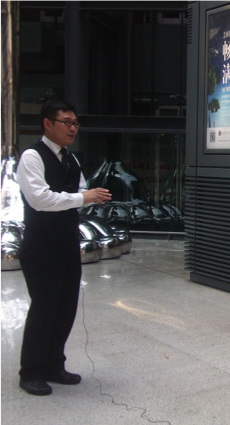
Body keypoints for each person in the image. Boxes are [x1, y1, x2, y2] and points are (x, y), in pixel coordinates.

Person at [16, 99, 111, 396]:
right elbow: (40, 199)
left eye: (75, 124)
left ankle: (54, 365)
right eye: (66, 122)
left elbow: (77, 189)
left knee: (65, 308)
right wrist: (83, 197)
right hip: (41, 245)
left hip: (67, 243)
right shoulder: (32, 156)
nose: (73, 129)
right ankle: (30, 372)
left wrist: (85, 197)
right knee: (44, 308)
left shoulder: (71, 158)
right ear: (48, 123)